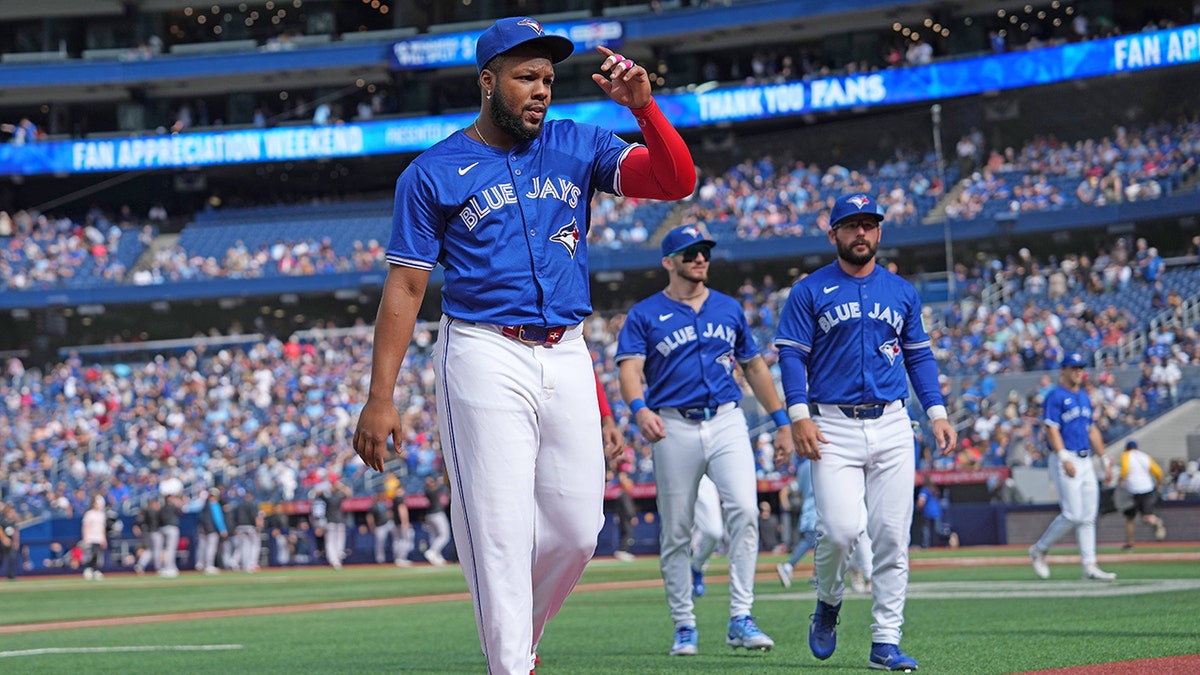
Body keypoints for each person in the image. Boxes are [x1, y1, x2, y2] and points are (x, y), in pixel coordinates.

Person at [351, 15, 695, 675]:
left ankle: (515, 641)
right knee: (500, 534)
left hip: (566, 349)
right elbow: (404, 288)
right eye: (525, 76)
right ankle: (509, 663)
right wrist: (380, 394)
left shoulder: (578, 143)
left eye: (547, 77)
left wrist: (646, 110)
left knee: (577, 532)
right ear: (488, 81)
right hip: (482, 351)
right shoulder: (433, 171)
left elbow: (675, 181)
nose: (541, 89)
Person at [775, 192, 957, 672]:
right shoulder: (809, 290)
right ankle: (829, 602)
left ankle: (885, 641)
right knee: (838, 531)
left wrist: (936, 410)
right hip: (832, 423)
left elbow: (918, 355)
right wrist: (798, 415)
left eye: (869, 224)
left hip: (894, 422)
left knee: (892, 537)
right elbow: (791, 355)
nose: (861, 233)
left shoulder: (901, 291)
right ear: (833, 234)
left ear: (879, 232)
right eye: (851, 225)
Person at [616, 224, 793, 656]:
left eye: (704, 252)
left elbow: (753, 367)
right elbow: (630, 370)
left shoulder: (728, 309)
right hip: (673, 424)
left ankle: (741, 616)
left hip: (728, 418)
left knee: (746, 512)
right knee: (677, 530)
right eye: (691, 252)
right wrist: (639, 409)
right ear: (669, 261)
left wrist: (782, 421)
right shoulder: (644, 314)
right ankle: (683, 624)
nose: (701, 259)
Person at [1028, 352, 1117, 582]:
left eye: (1080, 367)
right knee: (1073, 514)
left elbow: (1092, 430)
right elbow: (1051, 428)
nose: (1078, 371)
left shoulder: (1085, 397)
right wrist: (1064, 456)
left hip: (1086, 459)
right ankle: (1039, 549)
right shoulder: (1055, 396)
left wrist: (1104, 458)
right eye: (1073, 367)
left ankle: (1090, 565)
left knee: (1088, 516)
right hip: (1065, 457)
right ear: (1063, 370)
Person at [776, 456, 817, 589]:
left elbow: (792, 488)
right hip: (816, 510)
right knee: (811, 541)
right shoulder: (816, 464)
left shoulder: (804, 467)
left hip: (808, 509)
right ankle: (788, 566)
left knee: (819, 543)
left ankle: (818, 574)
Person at [1118, 439, 1167, 549]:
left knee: (1130, 519)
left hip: (1132, 490)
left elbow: (1125, 469)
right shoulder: (1144, 456)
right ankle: (1156, 522)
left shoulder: (1126, 455)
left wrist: (1120, 480)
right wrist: (1159, 483)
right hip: (1147, 488)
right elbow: (1158, 471)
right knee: (1147, 518)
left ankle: (1130, 543)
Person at [320, 479, 352, 570]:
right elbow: (317, 492)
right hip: (332, 522)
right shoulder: (329, 497)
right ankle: (334, 560)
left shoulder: (338, 496)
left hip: (338, 521)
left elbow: (349, 493)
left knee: (337, 542)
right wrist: (333, 486)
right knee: (332, 542)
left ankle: (336, 560)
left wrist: (338, 486)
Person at [915, 474, 953, 548]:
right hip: (935, 512)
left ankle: (949, 534)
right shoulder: (933, 489)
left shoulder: (925, 489)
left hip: (931, 512)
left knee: (934, 530)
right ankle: (926, 545)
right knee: (928, 530)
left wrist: (916, 508)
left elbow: (921, 502)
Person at [195, 488, 228, 574]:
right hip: (211, 529)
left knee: (202, 547)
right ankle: (209, 565)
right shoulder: (214, 504)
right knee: (211, 548)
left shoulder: (204, 503)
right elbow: (218, 519)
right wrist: (222, 529)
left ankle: (200, 564)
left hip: (202, 528)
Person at [421, 474, 451, 566]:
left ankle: (437, 556)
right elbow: (440, 485)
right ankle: (432, 551)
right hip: (437, 514)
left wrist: (438, 481)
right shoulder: (429, 491)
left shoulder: (430, 490)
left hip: (430, 515)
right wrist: (439, 481)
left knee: (434, 536)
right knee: (445, 535)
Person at [133, 496, 164, 575]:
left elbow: (139, 520)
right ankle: (158, 568)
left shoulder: (145, 511)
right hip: (155, 532)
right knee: (157, 551)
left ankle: (140, 565)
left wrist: (137, 527)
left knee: (150, 550)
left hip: (147, 532)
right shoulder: (155, 512)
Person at [81, 496, 108, 580]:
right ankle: (89, 569)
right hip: (90, 537)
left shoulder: (102, 515)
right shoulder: (89, 514)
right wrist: (85, 537)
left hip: (99, 537)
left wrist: (104, 539)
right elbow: (85, 526)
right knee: (91, 554)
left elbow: (102, 527)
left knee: (98, 554)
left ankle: (95, 570)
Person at [368, 491, 397, 565]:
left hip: (388, 523)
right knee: (380, 543)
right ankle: (380, 559)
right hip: (379, 526)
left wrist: (391, 515)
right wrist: (372, 526)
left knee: (397, 534)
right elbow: (370, 517)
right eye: (379, 495)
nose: (381, 497)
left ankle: (397, 556)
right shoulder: (373, 505)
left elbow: (389, 513)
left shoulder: (384, 504)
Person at [158, 493, 181, 577]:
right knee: (170, 549)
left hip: (163, 529)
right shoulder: (172, 507)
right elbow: (181, 510)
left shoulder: (162, 507)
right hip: (171, 528)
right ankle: (168, 568)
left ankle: (170, 567)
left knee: (165, 549)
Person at [0, 502, 18, 581]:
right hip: (2, 543)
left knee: (12, 558)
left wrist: (16, 541)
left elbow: (15, 531)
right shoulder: (2, 519)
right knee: (1, 559)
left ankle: (11, 576)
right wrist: (4, 539)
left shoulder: (13, 521)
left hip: (10, 542)